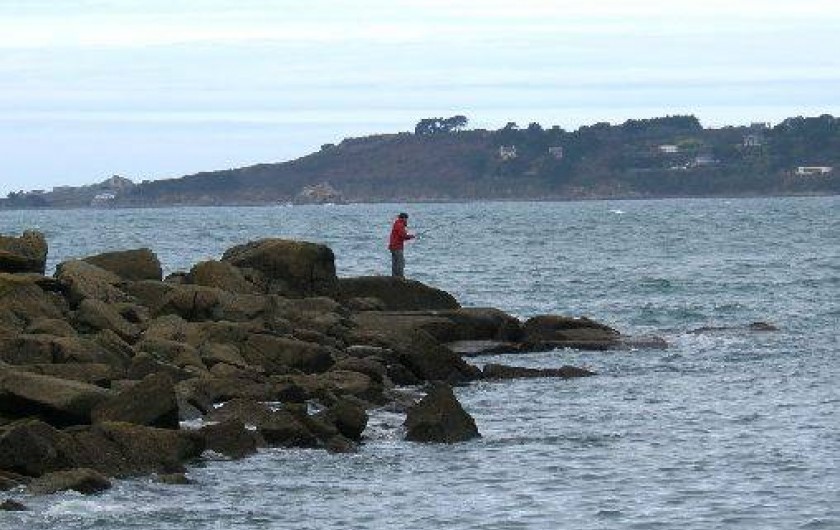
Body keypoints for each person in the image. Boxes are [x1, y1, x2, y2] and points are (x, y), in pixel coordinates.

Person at [388, 212, 415, 278]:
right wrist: (411, 236)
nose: (406, 220)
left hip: (393, 246)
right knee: (400, 262)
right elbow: (403, 236)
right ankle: (400, 277)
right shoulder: (400, 225)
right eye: (406, 219)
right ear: (403, 218)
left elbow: (401, 236)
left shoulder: (397, 224)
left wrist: (409, 236)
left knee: (395, 262)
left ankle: (394, 276)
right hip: (397, 246)